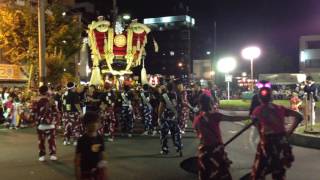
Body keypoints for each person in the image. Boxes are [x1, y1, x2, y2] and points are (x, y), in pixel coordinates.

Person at [250, 86, 303, 180]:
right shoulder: (280, 108)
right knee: (279, 171)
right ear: (271, 97)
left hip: (267, 144)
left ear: (259, 98)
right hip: (282, 143)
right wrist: (288, 132)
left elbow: (259, 129)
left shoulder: (257, 111)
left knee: (258, 172)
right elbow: (299, 116)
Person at [193, 94, 246, 180]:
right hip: (216, 150)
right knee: (223, 174)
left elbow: (197, 132)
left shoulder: (197, 119)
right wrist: (249, 117)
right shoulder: (215, 116)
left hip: (204, 152)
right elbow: (232, 118)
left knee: (205, 175)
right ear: (210, 103)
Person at [75, 111, 108, 180]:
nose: (94, 124)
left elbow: (102, 155)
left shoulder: (100, 139)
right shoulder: (81, 140)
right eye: (90, 122)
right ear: (85, 124)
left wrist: (104, 171)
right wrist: (78, 173)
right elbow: (77, 158)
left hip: (98, 171)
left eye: (96, 122)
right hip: (85, 172)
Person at [33, 85, 59, 161]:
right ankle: (52, 154)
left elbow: (33, 112)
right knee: (52, 141)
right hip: (50, 123)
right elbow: (56, 112)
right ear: (47, 91)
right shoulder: (51, 101)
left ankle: (42, 155)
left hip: (40, 124)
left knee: (41, 141)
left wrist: (36, 121)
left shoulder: (36, 101)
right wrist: (56, 121)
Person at [158, 82, 183, 156]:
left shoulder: (164, 96)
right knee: (176, 134)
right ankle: (179, 149)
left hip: (165, 118)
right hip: (174, 118)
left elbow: (161, 107)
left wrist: (159, 117)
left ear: (166, 88)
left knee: (164, 135)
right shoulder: (177, 95)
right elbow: (180, 105)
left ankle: (165, 149)